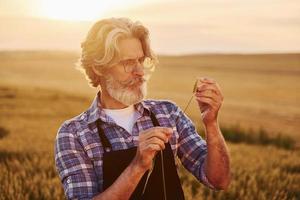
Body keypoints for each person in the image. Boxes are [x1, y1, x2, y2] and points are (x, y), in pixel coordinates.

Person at [54, 17, 231, 200]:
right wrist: (138, 165)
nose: (139, 71)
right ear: (99, 68)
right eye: (128, 62)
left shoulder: (168, 113)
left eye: (141, 60)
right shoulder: (74, 134)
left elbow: (219, 180)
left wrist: (211, 123)